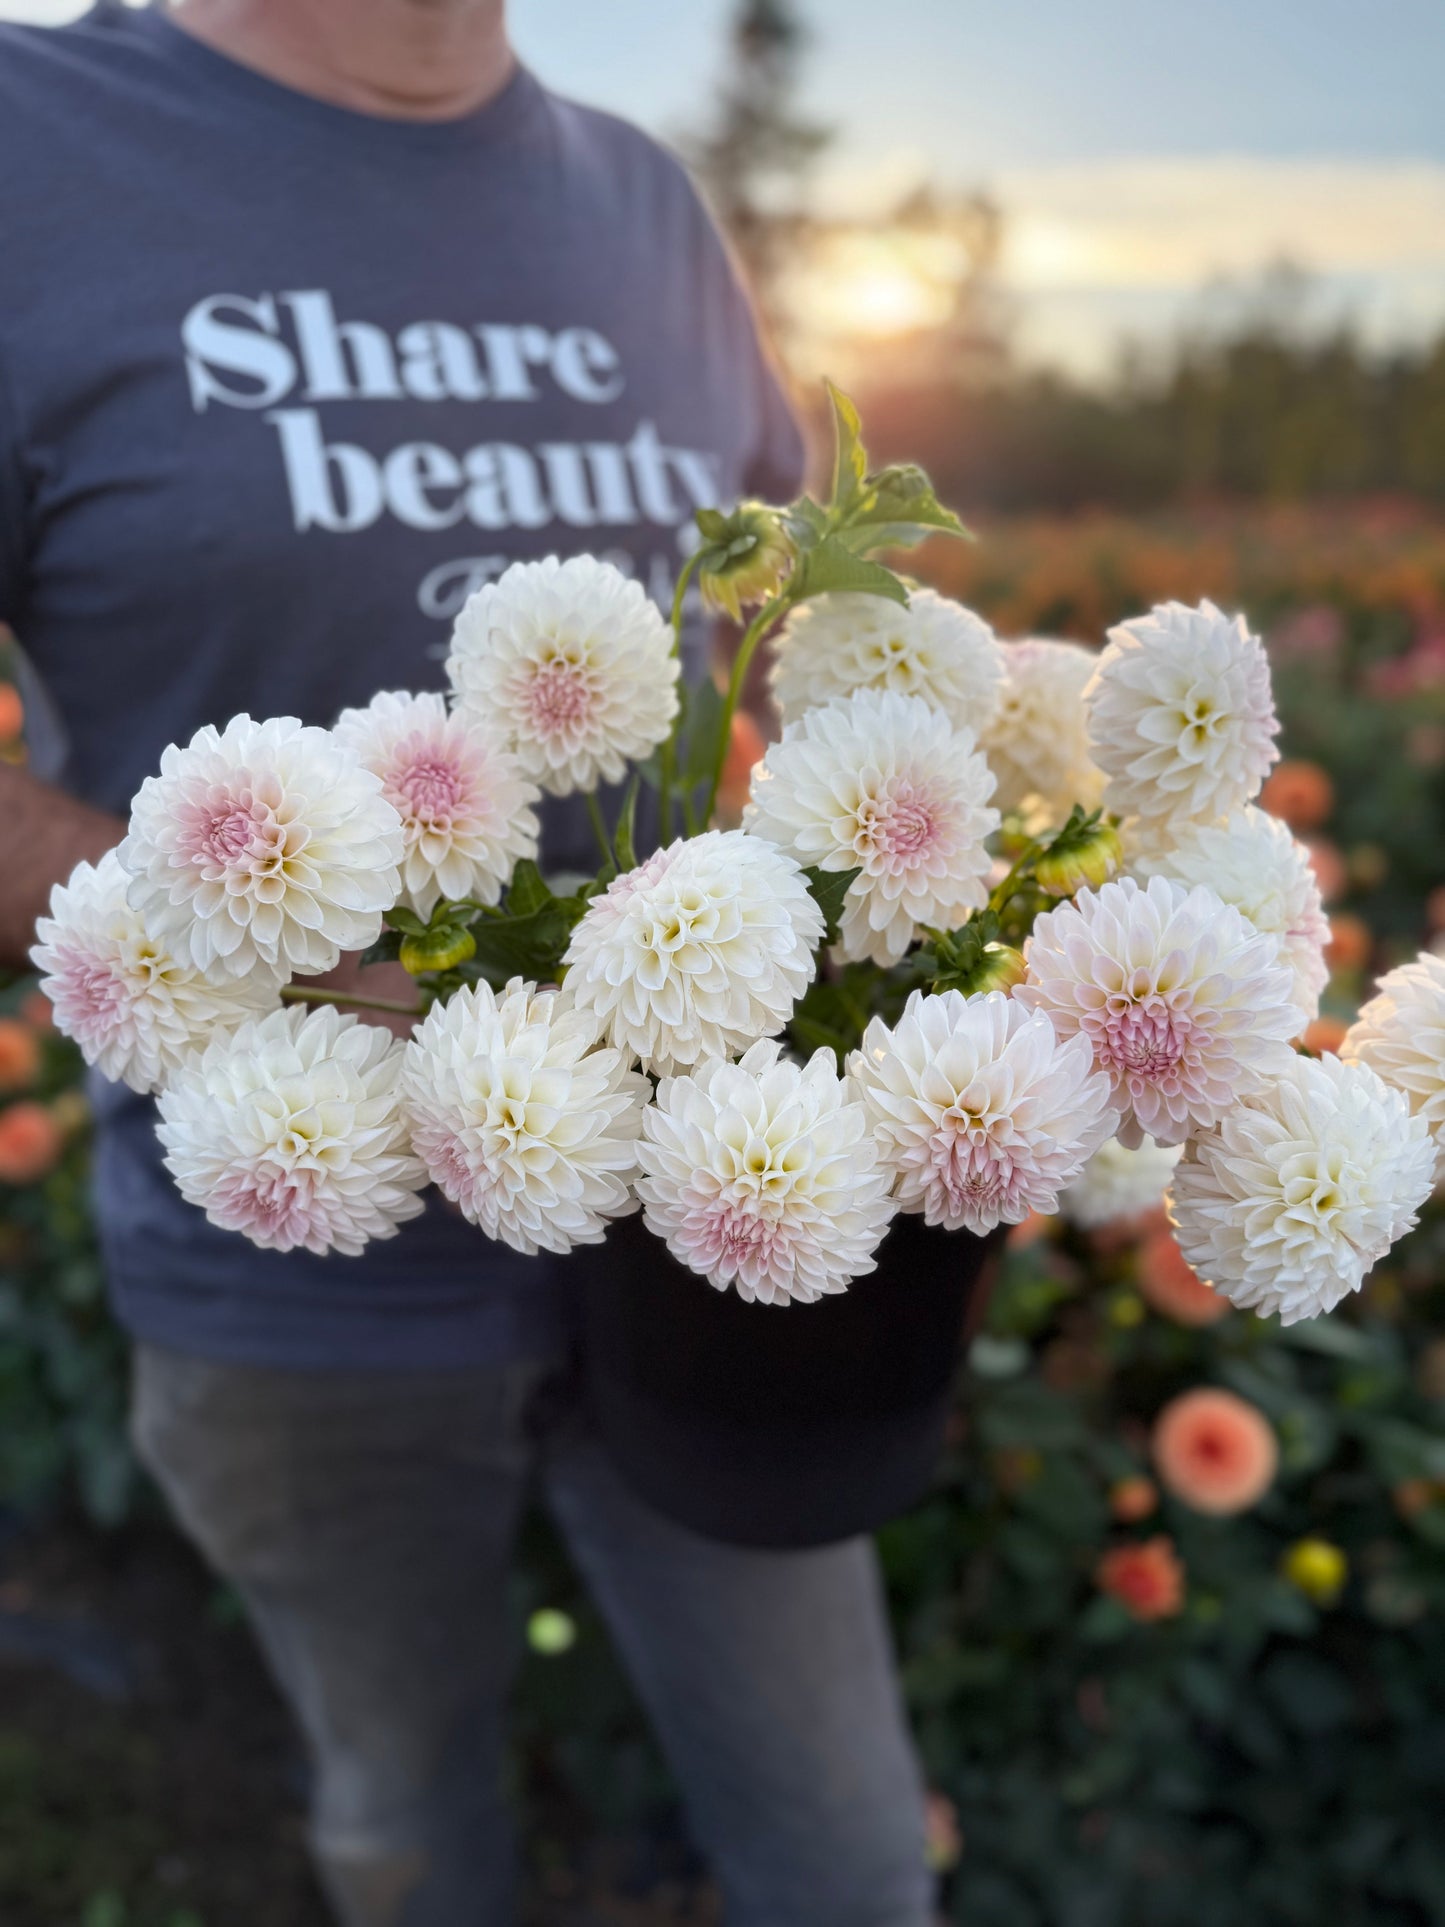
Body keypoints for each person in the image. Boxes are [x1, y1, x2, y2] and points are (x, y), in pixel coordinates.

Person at [0, 4, 936, 1923]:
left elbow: (768, 657)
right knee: (409, 1815)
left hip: (712, 1231)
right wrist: (272, 943)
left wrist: (927, 879)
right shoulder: (35, 141)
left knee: (844, 1859)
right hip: (295, 1275)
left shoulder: (640, 197)